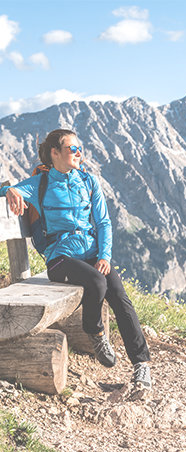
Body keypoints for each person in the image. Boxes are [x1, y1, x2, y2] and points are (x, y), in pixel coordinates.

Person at [0, 128, 151, 389]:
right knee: (97, 282)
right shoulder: (41, 183)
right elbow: (9, 191)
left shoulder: (89, 181)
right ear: (54, 153)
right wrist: (9, 190)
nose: (79, 153)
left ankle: (142, 366)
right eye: (73, 148)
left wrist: (104, 255)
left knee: (119, 295)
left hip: (92, 253)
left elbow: (103, 222)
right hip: (60, 258)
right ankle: (95, 332)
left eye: (80, 148)